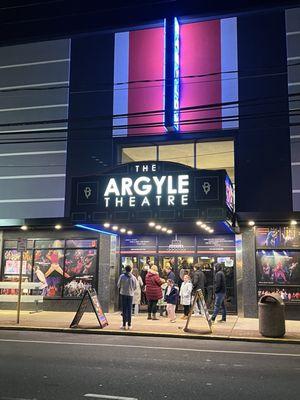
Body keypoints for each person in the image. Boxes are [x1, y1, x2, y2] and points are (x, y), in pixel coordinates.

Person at [117, 265, 137, 330]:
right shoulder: (133, 277)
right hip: (130, 295)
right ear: (131, 270)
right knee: (129, 309)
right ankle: (129, 324)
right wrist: (131, 290)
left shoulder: (122, 276)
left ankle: (123, 324)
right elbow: (135, 286)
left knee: (124, 309)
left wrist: (122, 288)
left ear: (125, 269)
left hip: (123, 294)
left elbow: (118, 285)